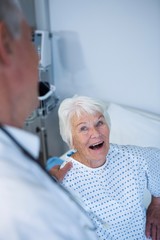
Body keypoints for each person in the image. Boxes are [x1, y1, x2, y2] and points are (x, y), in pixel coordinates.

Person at [0, 1, 98, 239]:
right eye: (31, 39)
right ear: (4, 46)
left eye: (99, 123)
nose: (37, 59)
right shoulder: (26, 203)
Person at [48, 95, 160, 240]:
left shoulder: (133, 158)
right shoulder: (63, 181)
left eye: (99, 123)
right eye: (83, 128)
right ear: (71, 141)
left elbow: (156, 159)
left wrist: (157, 203)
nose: (96, 133)